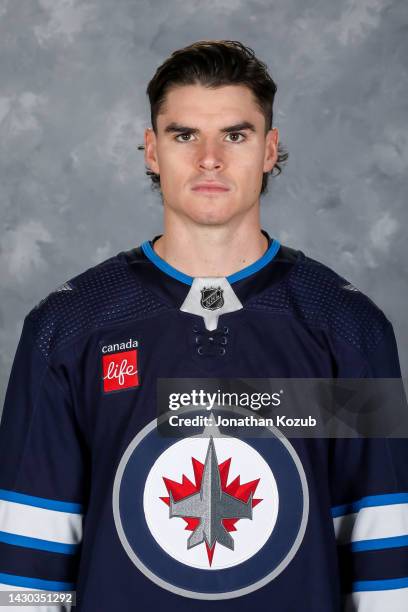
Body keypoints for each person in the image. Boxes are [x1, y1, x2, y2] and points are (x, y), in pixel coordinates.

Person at [0, 40, 407, 612]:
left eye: (235, 136)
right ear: (151, 150)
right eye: (184, 134)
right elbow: (26, 569)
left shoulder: (347, 328)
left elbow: (383, 558)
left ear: (269, 150)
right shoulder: (67, 328)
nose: (209, 158)